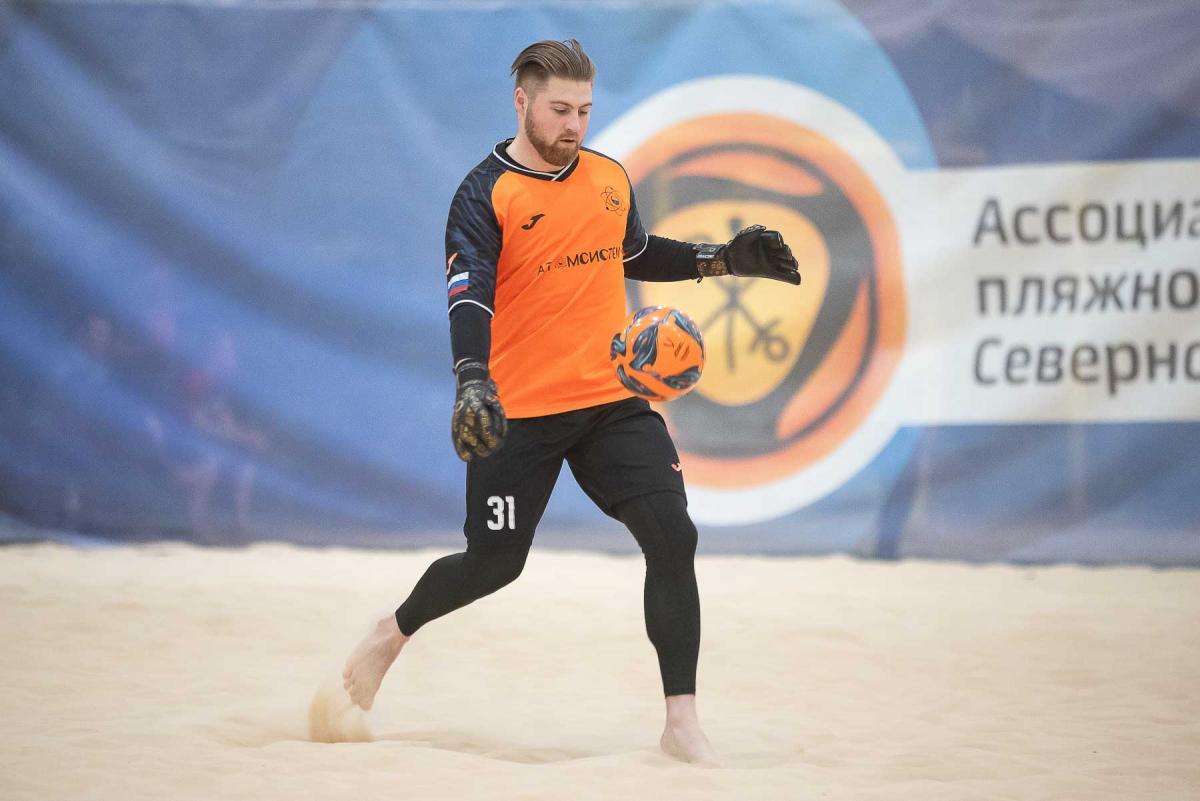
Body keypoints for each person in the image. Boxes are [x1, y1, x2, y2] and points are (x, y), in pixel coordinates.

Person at [342, 38, 800, 766]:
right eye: (559, 109)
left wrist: (719, 260)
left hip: (610, 400)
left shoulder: (608, 176)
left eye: (584, 110)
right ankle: (391, 632)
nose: (574, 125)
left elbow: (634, 252)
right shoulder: (485, 194)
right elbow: (469, 296)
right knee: (494, 564)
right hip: (518, 410)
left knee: (673, 537)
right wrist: (472, 378)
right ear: (520, 101)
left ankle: (681, 723)